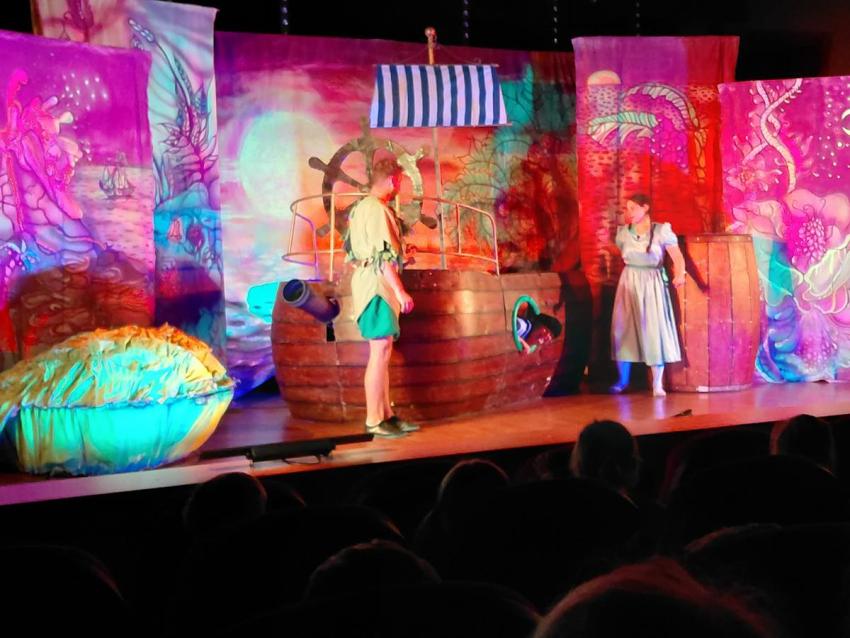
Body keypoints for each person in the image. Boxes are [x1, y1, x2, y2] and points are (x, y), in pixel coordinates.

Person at [345, 158, 418, 438]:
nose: (398, 186)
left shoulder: (364, 208)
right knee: (379, 351)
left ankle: (386, 415)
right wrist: (400, 290)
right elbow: (380, 256)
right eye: (398, 181)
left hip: (375, 282)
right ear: (391, 180)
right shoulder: (375, 209)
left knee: (383, 351)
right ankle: (374, 419)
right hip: (376, 287)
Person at [610, 194, 685, 397]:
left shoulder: (661, 231)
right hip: (629, 282)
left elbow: (677, 257)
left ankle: (657, 384)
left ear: (645, 208)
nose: (629, 212)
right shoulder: (623, 233)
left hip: (652, 283)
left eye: (633, 208)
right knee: (623, 329)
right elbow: (622, 254)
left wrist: (680, 274)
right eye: (627, 208)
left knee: (653, 329)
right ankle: (622, 381)